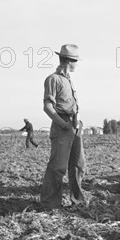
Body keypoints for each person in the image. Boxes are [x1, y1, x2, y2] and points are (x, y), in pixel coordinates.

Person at [39, 44, 86, 210]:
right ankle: (50, 204)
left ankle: (78, 201)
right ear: (69, 61)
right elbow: (48, 107)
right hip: (62, 128)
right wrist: (64, 124)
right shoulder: (53, 79)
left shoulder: (68, 80)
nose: (77, 64)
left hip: (74, 126)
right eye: (76, 61)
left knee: (78, 165)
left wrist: (78, 123)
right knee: (57, 167)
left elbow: (75, 105)